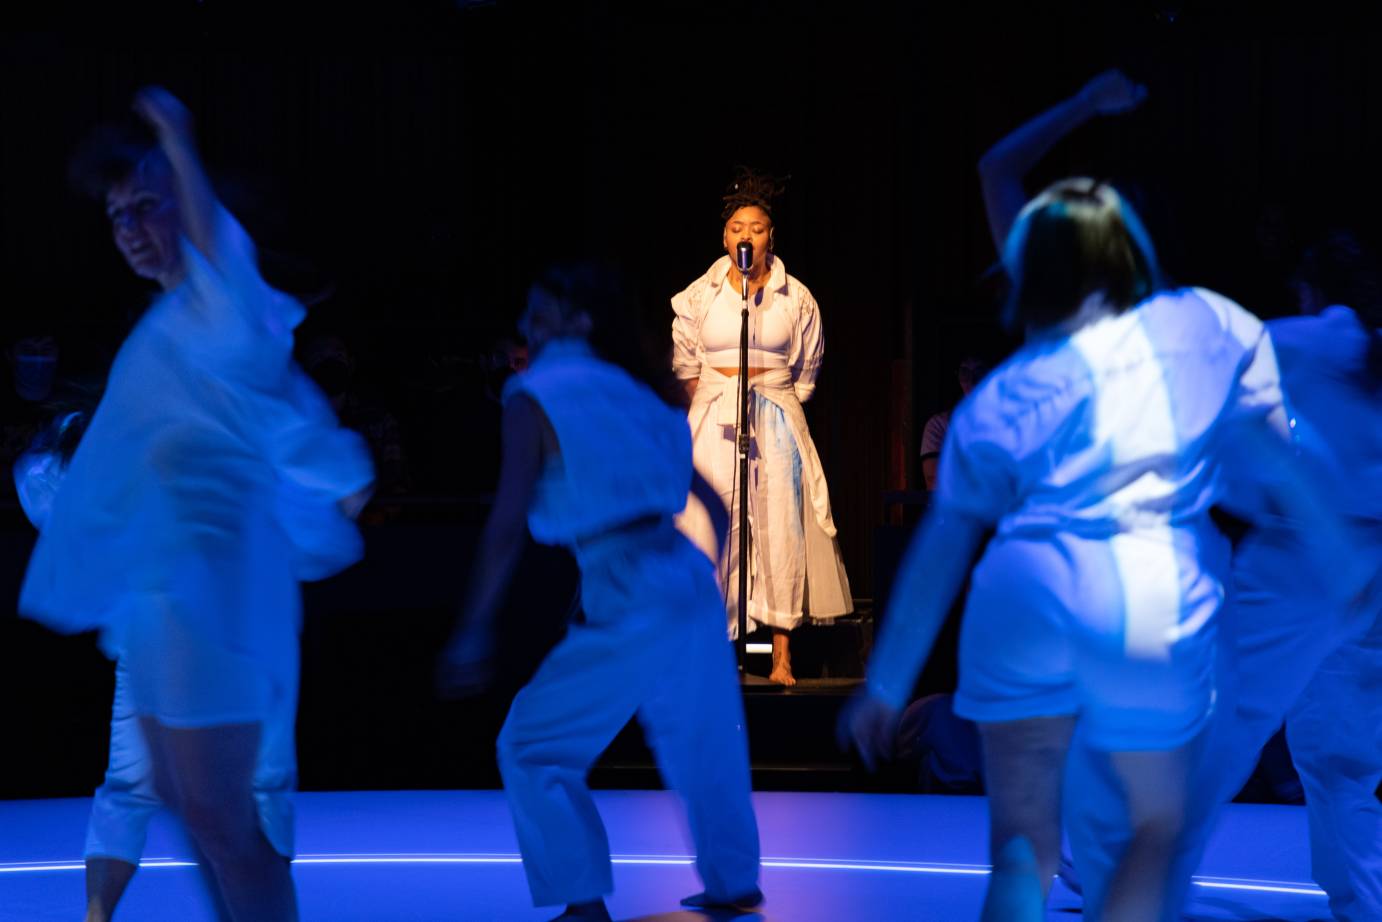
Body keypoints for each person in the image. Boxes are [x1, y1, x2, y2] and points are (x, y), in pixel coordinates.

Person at [840, 179, 1371, 922]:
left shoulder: (1009, 389)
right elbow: (1271, 452)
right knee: (1206, 808)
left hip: (1035, 601)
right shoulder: (1214, 334)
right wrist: (1343, 556)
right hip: (1169, 591)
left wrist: (887, 681)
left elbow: (944, 541)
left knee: (1034, 844)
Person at [19, 87, 373, 922]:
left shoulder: (223, 296)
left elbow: (210, 238)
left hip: (206, 577)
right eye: (118, 217)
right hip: (173, 581)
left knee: (220, 819)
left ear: (192, 203)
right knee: (193, 804)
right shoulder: (181, 321)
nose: (131, 227)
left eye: (148, 205)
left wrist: (176, 136)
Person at [438, 263, 762, 922]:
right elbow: (716, 506)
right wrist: (711, 576)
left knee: (533, 746)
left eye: (541, 308)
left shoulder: (535, 394)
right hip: (684, 574)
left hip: (625, 577)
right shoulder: (641, 393)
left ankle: (583, 903)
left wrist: (473, 626)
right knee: (704, 743)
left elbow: (506, 524)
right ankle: (733, 883)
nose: (528, 320)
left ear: (577, 320)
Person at [672, 166, 852, 685]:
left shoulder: (795, 298)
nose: (745, 235)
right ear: (724, 236)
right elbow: (686, 365)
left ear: (771, 235)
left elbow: (806, 371)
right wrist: (716, 402)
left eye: (756, 226)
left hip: (773, 414)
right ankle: (715, 652)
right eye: (736, 227)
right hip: (714, 416)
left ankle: (780, 657)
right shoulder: (700, 296)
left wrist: (769, 403)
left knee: (779, 530)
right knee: (712, 531)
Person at [919, 356, 988, 491]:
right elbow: (935, 484)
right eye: (965, 373)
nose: (972, 381)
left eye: (979, 373)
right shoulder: (938, 425)